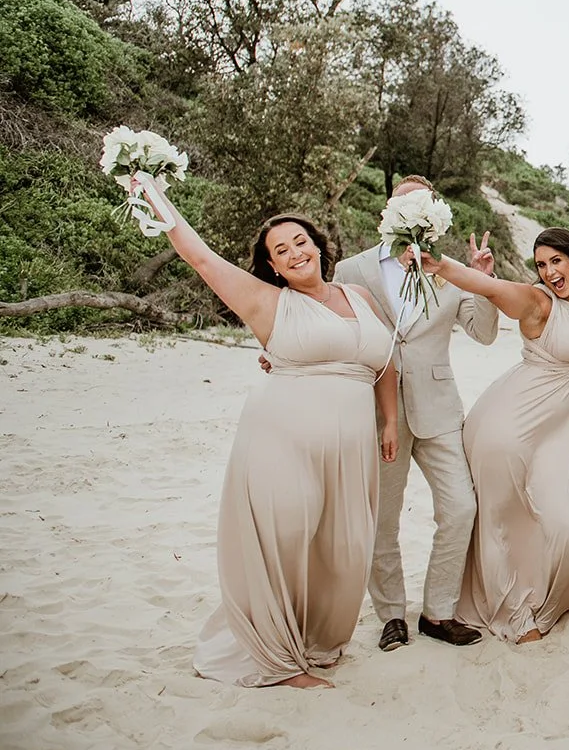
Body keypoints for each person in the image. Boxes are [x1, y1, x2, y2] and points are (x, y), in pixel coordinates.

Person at [132, 179, 398, 688]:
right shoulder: (266, 302)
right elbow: (201, 257)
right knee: (286, 537)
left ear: (319, 246)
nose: (295, 252)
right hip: (282, 439)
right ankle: (278, 660)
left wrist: (389, 420)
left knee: (343, 550)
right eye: (281, 250)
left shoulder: (358, 295)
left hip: (352, 447)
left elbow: (384, 362)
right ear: (272, 266)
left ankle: (314, 641)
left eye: (301, 241)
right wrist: (150, 189)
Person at [317, 174, 500, 653]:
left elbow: (483, 333)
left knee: (461, 507)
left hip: (439, 409)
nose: (415, 208)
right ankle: (391, 614)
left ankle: (437, 613)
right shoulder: (353, 271)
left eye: (425, 201)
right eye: (406, 201)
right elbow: (334, 332)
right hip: (378, 413)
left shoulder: (452, 270)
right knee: (383, 519)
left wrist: (482, 281)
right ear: (388, 210)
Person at [418, 228, 569, 642]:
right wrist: (443, 266)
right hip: (509, 423)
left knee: (566, 521)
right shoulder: (538, 301)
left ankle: (567, 592)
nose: (549, 272)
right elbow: (490, 288)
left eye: (556, 261)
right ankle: (513, 610)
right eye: (541, 265)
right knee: (505, 520)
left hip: (560, 430)